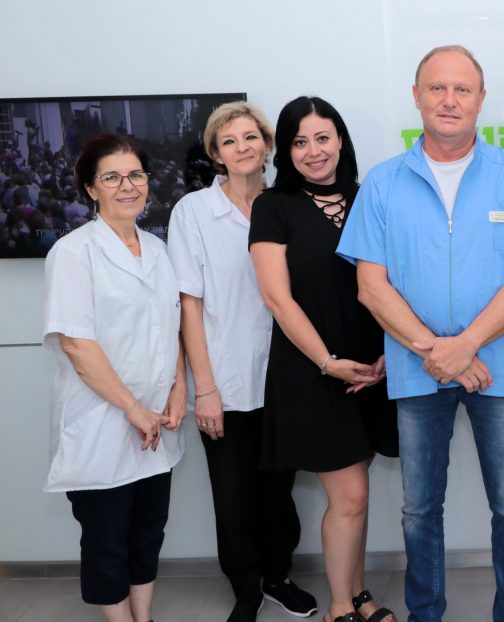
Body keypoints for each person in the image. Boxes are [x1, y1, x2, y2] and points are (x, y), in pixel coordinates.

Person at [337, 45, 504, 622]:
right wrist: (438, 351)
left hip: (498, 367)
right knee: (419, 508)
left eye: (462, 89)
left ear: (481, 99)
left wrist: (465, 346)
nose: (449, 100)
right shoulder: (384, 182)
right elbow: (371, 286)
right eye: (437, 88)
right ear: (416, 96)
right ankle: (426, 613)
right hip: (418, 368)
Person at [249, 96, 398, 622]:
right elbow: (277, 299)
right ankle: (339, 606)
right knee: (350, 495)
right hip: (312, 369)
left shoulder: (368, 196)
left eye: (322, 138)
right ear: (286, 151)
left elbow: (395, 281)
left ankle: (357, 594)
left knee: (356, 496)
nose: (313, 151)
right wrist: (327, 362)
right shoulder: (273, 206)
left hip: (372, 369)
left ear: (340, 140)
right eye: (299, 141)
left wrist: (388, 352)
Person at [167, 101, 316, 622]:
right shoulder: (193, 213)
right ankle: (246, 588)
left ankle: (278, 576)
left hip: (286, 378)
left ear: (268, 144)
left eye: (251, 137)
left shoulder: (289, 204)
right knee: (233, 497)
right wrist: (204, 388)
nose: (242, 148)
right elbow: (189, 304)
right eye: (228, 141)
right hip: (225, 383)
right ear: (215, 154)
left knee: (279, 493)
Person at [42, 132, 187, 622]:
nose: (128, 186)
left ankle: (143, 618)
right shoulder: (73, 252)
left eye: (135, 175)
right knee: (107, 541)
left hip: (156, 425)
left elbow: (172, 328)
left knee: (148, 533)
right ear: (91, 188)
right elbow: (77, 345)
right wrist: (132, 408)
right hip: (103, 423)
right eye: (112, 177)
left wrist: (179, 389)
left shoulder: (158, 249)